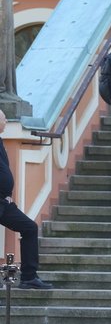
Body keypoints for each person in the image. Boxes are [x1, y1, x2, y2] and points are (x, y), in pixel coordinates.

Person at [0, 109, 52, 289]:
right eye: (3, 118)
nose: (6, 121)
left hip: (4, 202)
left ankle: (29, 277)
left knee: (29, 228)